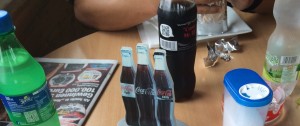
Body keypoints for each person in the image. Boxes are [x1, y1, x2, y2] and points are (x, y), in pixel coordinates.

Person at [71, 0, 274, 32]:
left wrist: (250, 1)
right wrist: (162, 2)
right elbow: (85, 9)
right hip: (143, 56)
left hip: (233, 49)